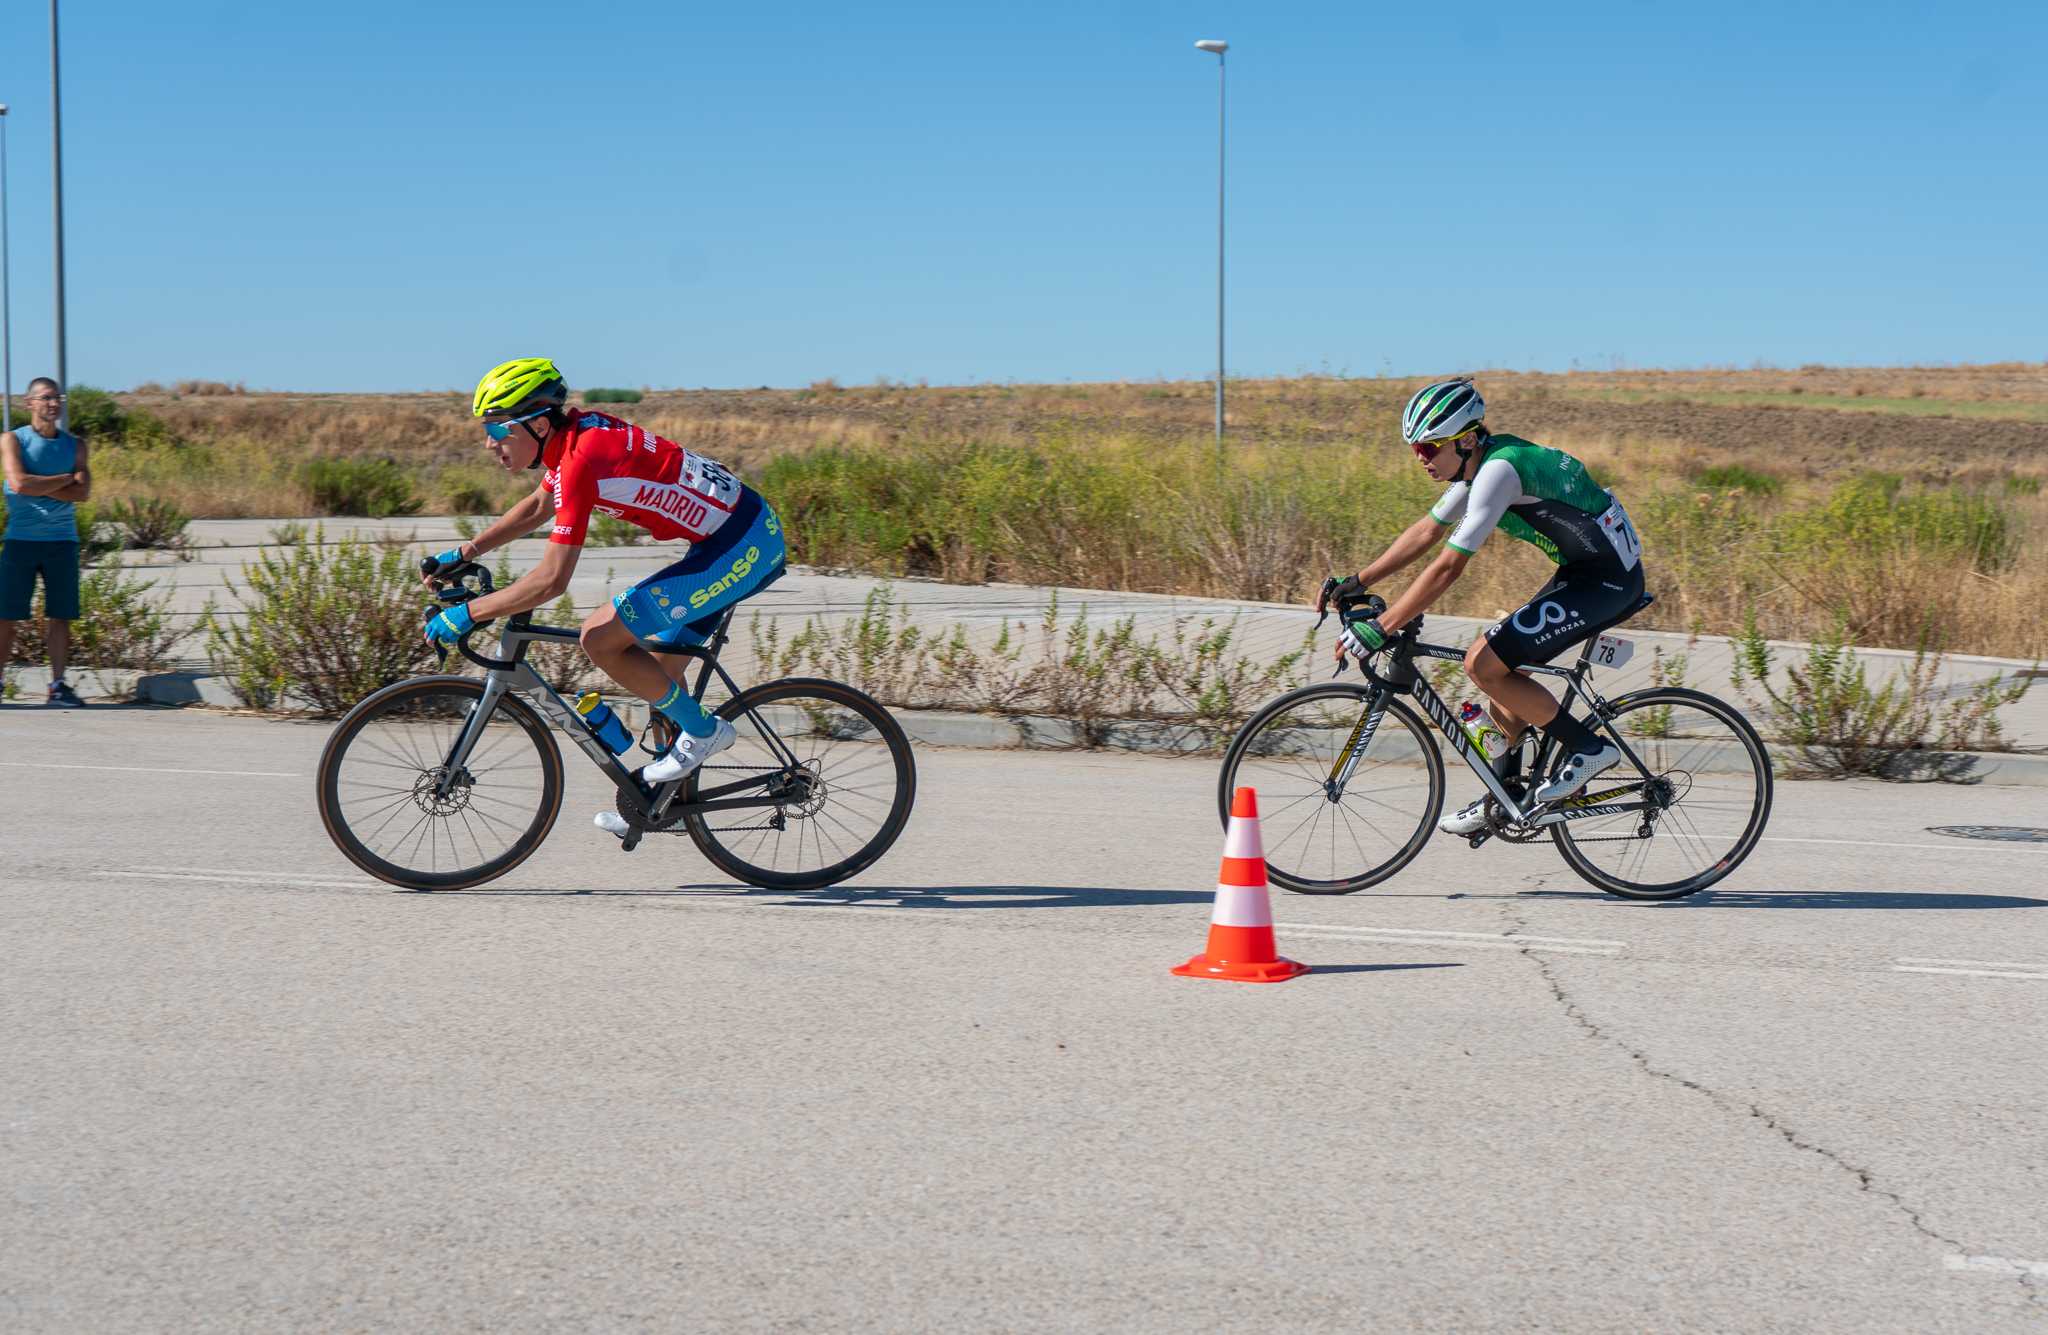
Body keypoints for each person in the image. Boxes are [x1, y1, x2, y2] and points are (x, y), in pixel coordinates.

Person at [421, 358, 787, 840]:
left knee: (600, 637)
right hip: (727, 538)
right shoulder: (573, 438)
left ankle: (705, 733)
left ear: (537, 421)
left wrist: (468, 613)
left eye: (497, 428)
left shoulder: (581, 459)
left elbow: (552, 580)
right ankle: (662, 805)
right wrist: (465, 551)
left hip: (743, 545)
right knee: (656, 678)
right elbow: (537, 506)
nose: (490, 442)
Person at [1323, 378, 1646, 835]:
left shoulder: (1499, 472)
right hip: (1584, 573)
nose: (1421, 459)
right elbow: (1425, 532)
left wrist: (1383, 625)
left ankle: (1588, 750)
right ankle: (1507, 795)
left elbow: (1448, 567)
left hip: (1608, 581)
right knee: (1504, 681)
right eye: (1416, 449)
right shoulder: (1477, 468)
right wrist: (1357, 581)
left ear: (1467, 439)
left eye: (1429, 449)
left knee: (1484, 664)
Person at [0, 378, 92, 707]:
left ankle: (56, 685)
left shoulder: (75, 445)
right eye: (46, 397)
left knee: (60, 616)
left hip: (62, 542)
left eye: (58, 398)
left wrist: (39, 484)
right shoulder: (12, 440)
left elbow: (83, 493)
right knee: (6, 615)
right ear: (30, 403)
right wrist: (65, 479)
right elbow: (18, 482)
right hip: (20, 542)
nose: (54, 404)